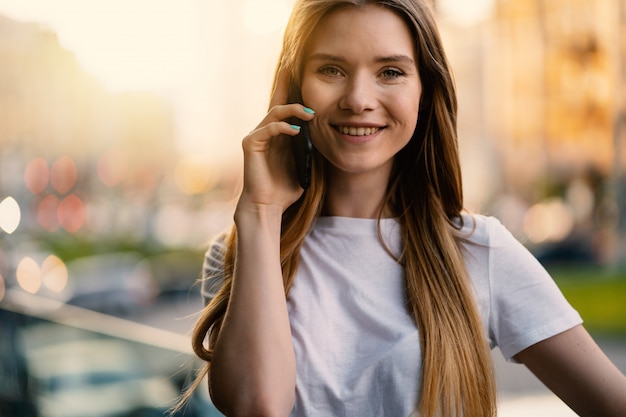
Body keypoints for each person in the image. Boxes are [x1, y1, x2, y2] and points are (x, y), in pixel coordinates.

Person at [185, 1, 626, 416]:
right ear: (293, 87)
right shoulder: (242, 255)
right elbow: (258, 405)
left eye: (390, 71)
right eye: (331, 69)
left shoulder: (479, 251)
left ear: (424, 90)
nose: (358, 98)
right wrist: (261, 210)